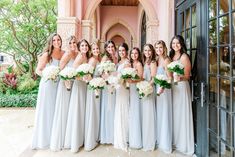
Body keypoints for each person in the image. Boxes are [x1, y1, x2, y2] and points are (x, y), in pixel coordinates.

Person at [32, 33, 64, 149]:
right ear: (51, 42)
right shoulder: (47, 55)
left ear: (61, 41)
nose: (57, 42)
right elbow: (38, 70)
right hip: (48, 85)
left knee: (57, 110)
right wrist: (48, 74)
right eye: (54, 40)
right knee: (47, 110)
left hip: (59, 85)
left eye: (58, 40)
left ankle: (56, 137)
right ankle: (45, 139)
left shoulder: (63, 53)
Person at [50, 36, 78, 151]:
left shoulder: (77, 54)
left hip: (74, 86)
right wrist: (66, 79)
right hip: (65, 85)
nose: (72, 44)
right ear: (67, 44)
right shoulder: (67, 55)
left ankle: (70, 137)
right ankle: (60, 140)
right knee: (63, 111)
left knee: (70, 112)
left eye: (74, 42)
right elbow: (60, 70)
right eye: (70, 43)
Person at [64, 39, 90, 152]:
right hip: (79, 86)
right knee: (77, 111)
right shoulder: (80, 57)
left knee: (82, 112)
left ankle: (81, 138)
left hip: (84, 87)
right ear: (79, 47)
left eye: (86, 45)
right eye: (82, 45)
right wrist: (83, 78)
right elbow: (74, 73)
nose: (84, 47)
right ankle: (75, 141)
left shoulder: (85, 57)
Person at [169, 35, 194, 155]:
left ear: (181, 44)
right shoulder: (171, 56)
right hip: (173, 88)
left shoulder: (184, 57)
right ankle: (174, 140)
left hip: (182, 87)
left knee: (181, 114)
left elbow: (188, 76)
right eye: (173, 43)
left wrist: (180, 77)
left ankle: (183, 143)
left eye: (177, 43)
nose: (175, 45)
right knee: (174, 114)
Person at [155, 40, 172, 153]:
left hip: (164, 90)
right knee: (159, 113)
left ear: (164, 48)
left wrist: (163, 87)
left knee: (164, 113)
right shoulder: (157, 60)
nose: (158, 50)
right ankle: (160, 139)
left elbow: (169, 77)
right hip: (158, 89)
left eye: (160, 47)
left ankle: (165, 142)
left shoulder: (166, 60)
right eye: (157, 48)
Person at [84, 42, 101, 151]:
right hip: (93, 88)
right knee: (92, 112)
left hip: (98, 87)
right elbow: (88, 76)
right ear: (91, 50)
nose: (96, 50)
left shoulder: (98, 59)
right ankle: (90, 140)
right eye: (94, 49)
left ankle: (95, 136)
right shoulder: (92, 60)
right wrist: (95, 85)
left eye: (97, 48)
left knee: (96, 112)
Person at [100, 40, 117, 144]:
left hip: (115, 85)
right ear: (106, 49)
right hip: (108, 86)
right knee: (108, 108)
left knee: (113, 108)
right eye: (109, 47)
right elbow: (102, 72)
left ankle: (114, 134)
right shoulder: (105, 58)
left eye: (112, 47)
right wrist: (109, 82)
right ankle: (108, 136)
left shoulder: (115, 57)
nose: (111, 49)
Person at [113, 43, 130, 151]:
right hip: (118, 89)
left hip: (124, 89)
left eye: (123, 50)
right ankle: (119, 136)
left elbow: (128, 77)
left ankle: (125, 137)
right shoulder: (118, 62)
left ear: (126, 51)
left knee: (124, 110)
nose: (121, 52)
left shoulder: (127, 63)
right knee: (119, 110)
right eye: (120, 51)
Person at [141, 44, 157, 151]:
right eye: (145, 50)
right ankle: (144, 138)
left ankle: (149, 141)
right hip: (143, 89)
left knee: (149, 115)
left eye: (149, 50)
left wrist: (146, 88)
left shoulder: (152, 62)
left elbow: (153, 78)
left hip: (149, 91)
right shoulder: (144, 62)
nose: (147, 52)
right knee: (145, 115)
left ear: (152, 52)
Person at [128, 47, 144, 150]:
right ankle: (130, 136)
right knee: (130, 112)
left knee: (135, 112)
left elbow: (140, 78)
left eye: (136, 53)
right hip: (129, 89)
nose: (134, 55)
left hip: (135, 89)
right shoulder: (130, 64)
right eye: (132, 53)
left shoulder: (138, 64)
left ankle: (136, 139)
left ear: (138, 54)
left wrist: (130, 81)